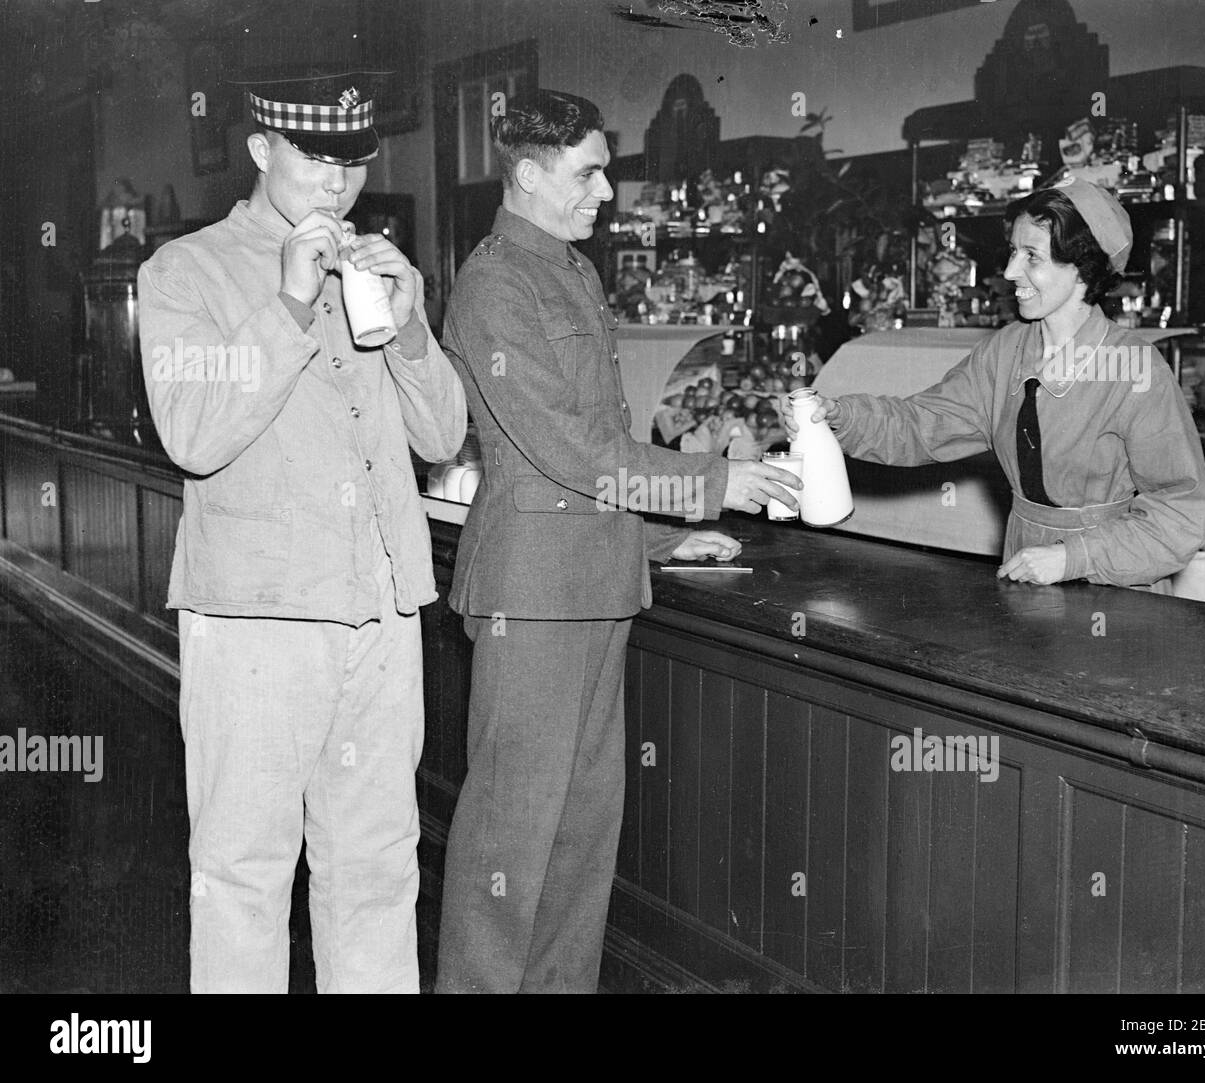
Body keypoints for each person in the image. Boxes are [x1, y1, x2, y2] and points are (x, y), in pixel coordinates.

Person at [436, 89, 799, 993]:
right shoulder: (493, 283)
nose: (606, 191)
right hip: (534, 597)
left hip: (596, 583)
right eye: (588, 171)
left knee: (580, 838)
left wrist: (665, 541)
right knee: (509, 842)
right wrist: (714, 486)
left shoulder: (572, 270)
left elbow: (590, 458)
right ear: (528, 173)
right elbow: (570, 448)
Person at [138, 71, 466, 992]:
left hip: (383, 617)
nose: (338, 183)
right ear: (258, 151)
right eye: (315, 158)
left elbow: (442, 438)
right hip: (257, 623)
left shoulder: (374, 266)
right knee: (244, 877)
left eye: (354, 161)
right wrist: (285, 304)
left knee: (377, 870)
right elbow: (195, 436)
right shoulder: (184, 271)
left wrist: (409, 330)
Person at [785, 177, 1205, 587]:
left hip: (1114, 579)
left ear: (1083, 266)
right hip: (1024, 567)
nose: (1010, 271)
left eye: (1032, 256)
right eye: (1013, 251)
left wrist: (1072, 557)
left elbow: (1181, 513)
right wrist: (841, 417)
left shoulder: (1134, 367)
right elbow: (923, 424)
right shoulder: (1004, 351)